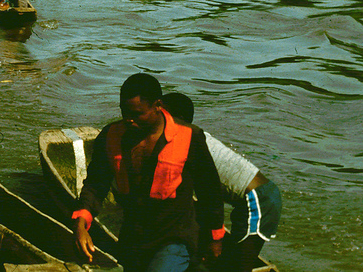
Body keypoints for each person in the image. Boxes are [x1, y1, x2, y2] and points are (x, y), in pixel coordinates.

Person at [73, 73, 224, 272]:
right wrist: (81, 224)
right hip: (132, 237)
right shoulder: (111, 136)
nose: (129, 120)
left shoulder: (189, 136)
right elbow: (96, 183)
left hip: (174, 236)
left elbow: (209, 191)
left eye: (137, 114)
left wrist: (215, 239)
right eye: (124, 112)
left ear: (157, 105)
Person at [162, 93, 282, 272]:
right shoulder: (192, 136)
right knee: (232, 261)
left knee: (241, 265)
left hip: (259, 199)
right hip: (256, 197)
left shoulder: (188, 140)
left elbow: (205, 193)